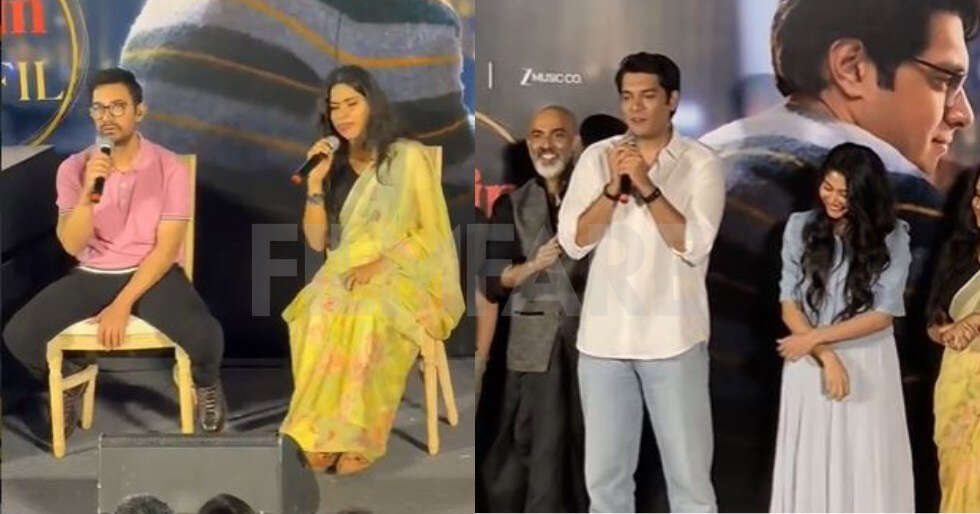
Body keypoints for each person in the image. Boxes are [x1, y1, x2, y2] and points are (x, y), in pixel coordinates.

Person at [2, 68, 228, 437]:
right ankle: (74, 376)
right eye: (99, 108)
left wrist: (121, 305)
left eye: (118, 107)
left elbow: (166, 249)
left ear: (139, 111)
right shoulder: (73, 169)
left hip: (153, 271)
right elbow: (71, 245)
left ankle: (205, 384)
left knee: (205, 337)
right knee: (19, 337)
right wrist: (89, 192)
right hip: (94, 273)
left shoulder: (169, 167)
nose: (107, 116)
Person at [557, 52, 723, 513]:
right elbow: (574, 242)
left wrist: (646, 185)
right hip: (603, 343)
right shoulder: (598, 157)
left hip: (674, 341)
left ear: (672, 100)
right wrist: (613, 187)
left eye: (648, 96)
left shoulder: (700, 163)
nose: (635, 107)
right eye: (627, 97)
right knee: (606, 484)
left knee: (689, 483)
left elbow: (693, 244)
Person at [279, 64, 464, 475]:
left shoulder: (406, 156)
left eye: (352, 103)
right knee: (316, 310)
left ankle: (359, 434)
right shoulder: (331, 163)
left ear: (372, 104)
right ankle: (318, 432)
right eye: (335, 108)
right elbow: (317, 242)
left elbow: (430, 232)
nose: (343, 115)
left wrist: (381, 263)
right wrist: (314, 186)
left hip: (407, 269)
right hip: (347, 267)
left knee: (370, 313)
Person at [772, 143, 914, 511]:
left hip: (868, 360)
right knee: (812, 463)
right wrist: (825, 355)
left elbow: (883, 314)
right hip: (809, 361)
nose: (833, 199)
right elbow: (789, 303)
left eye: (844, 193)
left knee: (866, 462)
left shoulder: (894, 236)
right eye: (827, 188)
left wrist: (815, 339)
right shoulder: (799, 227)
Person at [480, 105, 589, 512]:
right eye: (537, 136)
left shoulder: (598, 199)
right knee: (536, 455)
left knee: (589, 451)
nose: (546, 145)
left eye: (557, 135)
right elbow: (494, 279)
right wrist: (532, 266)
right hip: (533, 349)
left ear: (575, 142)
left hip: (591, 346)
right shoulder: (512, 205)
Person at [925, 167, 980, 512]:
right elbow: (934, 316)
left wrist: (976, 320)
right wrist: (944, 333)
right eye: (979, 195)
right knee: (957, 477)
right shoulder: (958, 251)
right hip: (955, 383)